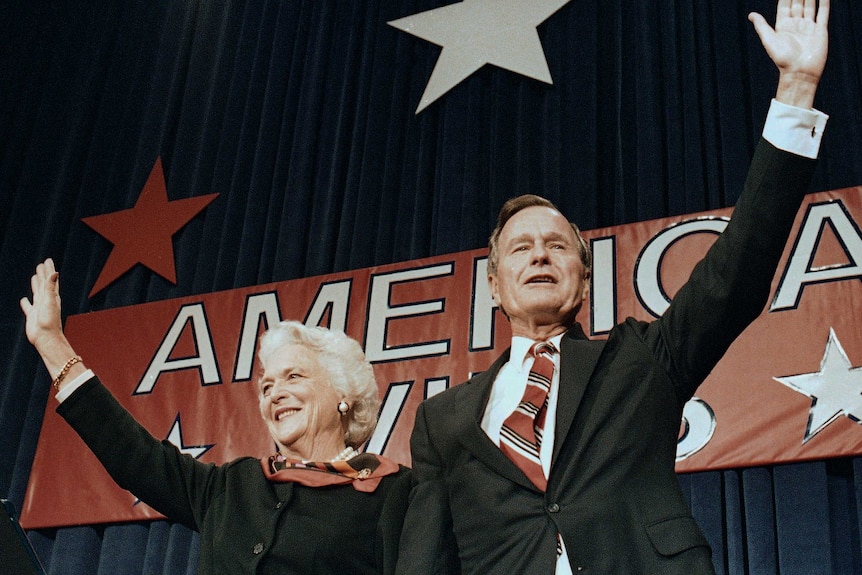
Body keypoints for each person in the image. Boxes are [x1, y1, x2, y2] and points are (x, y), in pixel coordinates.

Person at [396, 0, 830, 573]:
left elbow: (737, 271)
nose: (540, 255)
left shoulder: (640, 361)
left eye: (556, 246)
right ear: (495, 288)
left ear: (584, 280)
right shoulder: (442, 419)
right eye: (520, 249)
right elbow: (426, 556)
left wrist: (796, 87)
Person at [20, 258, 411, 575]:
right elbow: (132, 454)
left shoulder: (393, 493)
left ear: (343, 395)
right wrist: (52, 342)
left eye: (294, 376)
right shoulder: (232, 487)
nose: (275, 392)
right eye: (266, 386)